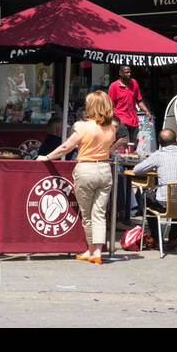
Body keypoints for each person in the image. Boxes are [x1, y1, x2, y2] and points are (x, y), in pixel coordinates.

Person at [38, 90, 124, 263]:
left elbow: (66, 147)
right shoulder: (111, 128)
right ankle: (98, 252)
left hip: (86, 169)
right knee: (99, 213)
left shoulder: (82, 126)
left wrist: (47, 157)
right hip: (105, 169)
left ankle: (91, 250)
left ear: (91, 106)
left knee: (87, 214)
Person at [131, 128, 177, 249]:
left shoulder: (159, 155)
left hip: (165, 204)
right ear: (176, 140)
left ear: (160, 144)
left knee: (146, 196)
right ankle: (173, 239)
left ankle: (156, 238)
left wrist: (154, 167)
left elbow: (137, 170)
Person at [107, 65, 151, 145]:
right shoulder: (114, 86)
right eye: (127, 72)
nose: (129, 74)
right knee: (125, 143)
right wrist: (111, 120)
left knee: (134, 145)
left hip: (133, 120)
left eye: (130, 72)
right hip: (121, 120)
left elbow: (139, 100)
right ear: (120, 73)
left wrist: (146, 112)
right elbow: (110, 105)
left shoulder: (134, 83)